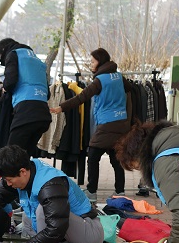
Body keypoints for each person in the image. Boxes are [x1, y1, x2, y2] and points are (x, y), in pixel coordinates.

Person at [50, 48, 130, 202]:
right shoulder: (119, 77)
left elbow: (82, 97)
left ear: (100, 61)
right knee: (116, 157)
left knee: (93, 155)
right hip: (122, 122)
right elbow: (130, 89)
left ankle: (92, 191)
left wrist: (62, 107)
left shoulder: (100, 80)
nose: (91, 64)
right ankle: (120, 191)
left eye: (93, 61)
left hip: (107, 123)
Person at [0, 38, 51, 158]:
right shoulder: (36, 59)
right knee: (25, 155)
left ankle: (8, 177)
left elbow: (10, 82)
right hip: (43, 114)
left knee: (11, 154)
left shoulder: (13, 54)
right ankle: (27, 176)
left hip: (26, 112)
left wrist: (4, 88)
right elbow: (48, 93)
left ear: (4, 50)